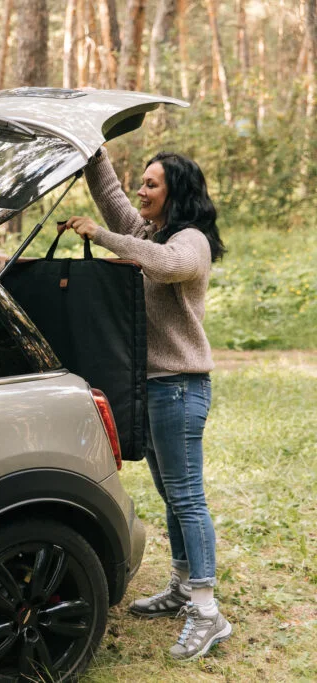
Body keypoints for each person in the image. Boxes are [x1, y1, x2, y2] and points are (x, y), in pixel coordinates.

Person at [59, 147, 231, 661]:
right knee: (170, 494)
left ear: (174, 193)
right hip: (154, 386)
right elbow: (111, 195)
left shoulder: (188, 240)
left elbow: (166, 266)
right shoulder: (148, 231)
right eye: (143, 182)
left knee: (187, 497)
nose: (141, 190)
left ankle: (207, 612)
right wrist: (91, 148)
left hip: (181, 386)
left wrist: (103, 236)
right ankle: (182, 586)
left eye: (152, 185)